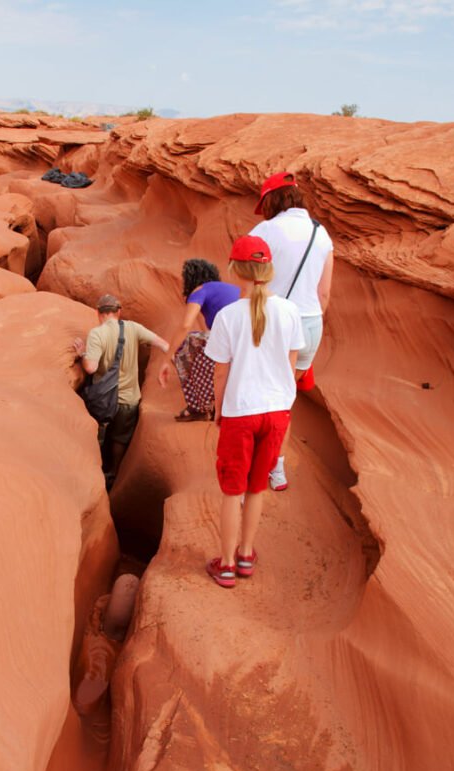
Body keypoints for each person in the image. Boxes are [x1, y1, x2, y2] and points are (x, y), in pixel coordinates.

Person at [204, 235, 305, 588]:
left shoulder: (228, 317)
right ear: (269, 269)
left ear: (236, 269)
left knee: (233, 490)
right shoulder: (290, 310)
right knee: (257, 487)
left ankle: (227, 563)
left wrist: (218, 410)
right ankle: (246, 553)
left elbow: (220, 371)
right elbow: (293, 363)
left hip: (242, 411)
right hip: (277, 411)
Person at [249, 171, 333, 490]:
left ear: (272, 199)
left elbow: (252, 281)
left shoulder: (266, 230)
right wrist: (308, 323)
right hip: (310, 325)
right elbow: (324, 293)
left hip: (274, 322)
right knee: (285, 398)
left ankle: (263, 464)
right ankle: (278, 468)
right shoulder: (321, 234)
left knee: (262, 396)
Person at [74, 294, 168, 487]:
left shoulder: (97, 334)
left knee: (97, 435)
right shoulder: (133, 328)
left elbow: (90, 368)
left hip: (103, 400)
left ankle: (94, 473)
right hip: (129, 400)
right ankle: (114, 472)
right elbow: (163, 344)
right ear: (119, 312)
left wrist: (82, 353)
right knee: (120, 437)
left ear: (98, 313)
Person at [158, 259, 239, 421]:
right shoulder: (229, 289)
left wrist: (167, 359)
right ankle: (218, 402)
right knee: (207, 351)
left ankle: (199, 407)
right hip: (247, 342)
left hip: (232, 342)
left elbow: (185, 325)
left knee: (187, 344)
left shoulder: (200, 291)